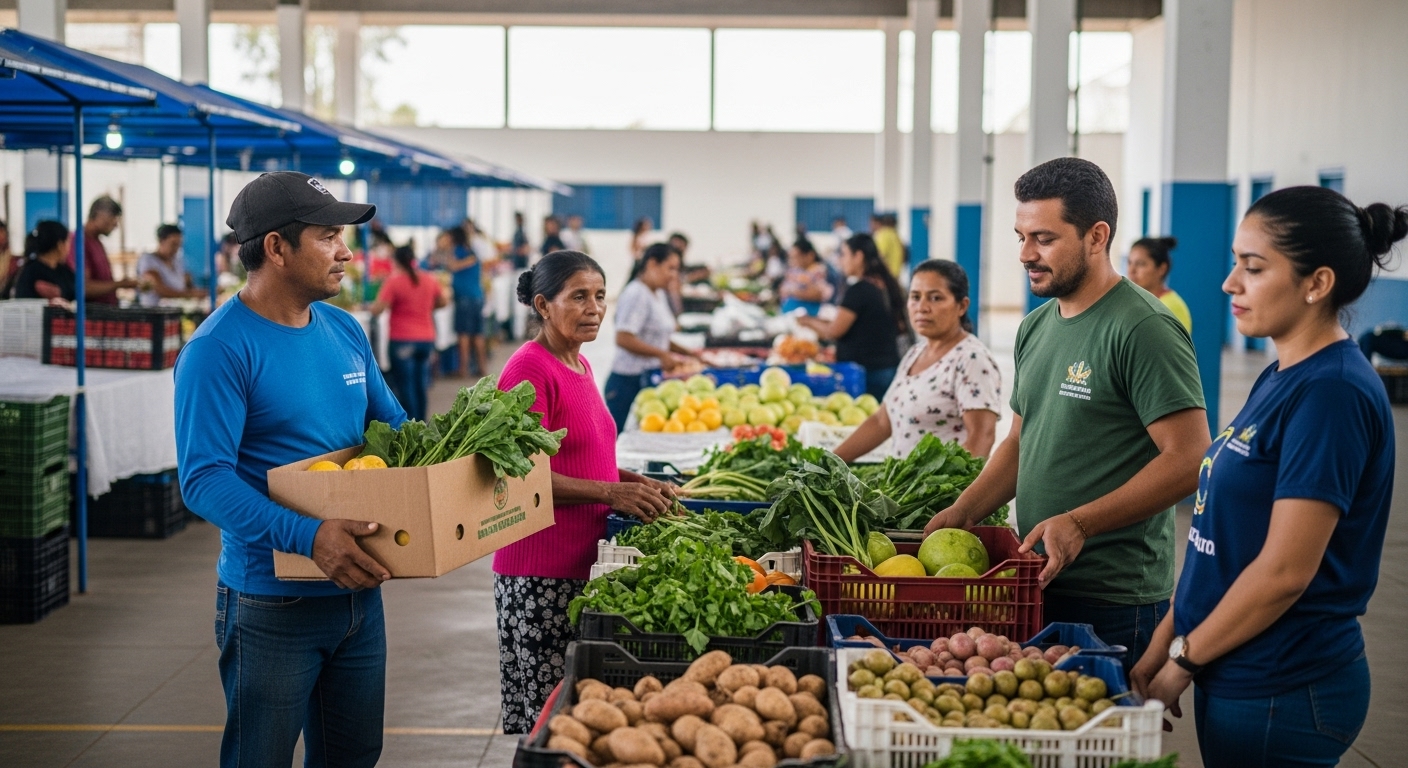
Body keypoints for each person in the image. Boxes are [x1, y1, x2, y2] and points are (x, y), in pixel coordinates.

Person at [1131, 189, 1403, 768]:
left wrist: (1183, 658)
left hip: (1283, 683)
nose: (1230, 282)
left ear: (1317, 283)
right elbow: (1222, 539)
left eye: (1253, 268)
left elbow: (1284, 571)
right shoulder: (1280, 373)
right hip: (1231, 665)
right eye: (1235, 262)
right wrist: (1168, 635)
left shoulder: (1331, 392)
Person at [923, 157, 1210, 673]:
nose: (1026, 254)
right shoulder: (1036, 326)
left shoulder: (1143, 328)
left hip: (1116, 599)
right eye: (1020, 237)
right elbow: (1019, 440)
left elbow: (1190, 458)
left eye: (1044, 239)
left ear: (1096, 236)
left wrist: (1081, 522)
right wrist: (963, 513)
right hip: (1036, 580)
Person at [174, 171, 395, 768]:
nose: (347, 252)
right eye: (328, 236)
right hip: (270, 605)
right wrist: (310, 536)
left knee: (354, 757)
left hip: (358, 589)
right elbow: (204, 480)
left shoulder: (346, 331)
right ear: (276, 247)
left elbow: (394, 432)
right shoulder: (219, 349)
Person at [494, 249, 678, 734]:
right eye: (578, 296)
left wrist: (633, 483)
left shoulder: (579, 365)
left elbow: (585, 456)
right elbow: (520, 476)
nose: (594, 308)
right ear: (543, 304)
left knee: (577, 723)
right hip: (540, 573)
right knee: (548, 727)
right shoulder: (530, 370)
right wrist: (610, 494)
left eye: (599, 295)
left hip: (579, 566)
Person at [834, 259, 1001, 462]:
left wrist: (948, 491)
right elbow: (881, 421)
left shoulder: (971, 359)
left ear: (961, 306)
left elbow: (981, 439)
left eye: (936, 298)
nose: (922, 307)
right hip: (902, 488)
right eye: (915, 297)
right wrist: (831, 461)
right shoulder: (915, 353)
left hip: (940, 491)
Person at [798, 233, 907, 399]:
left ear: (858, 256)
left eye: (844, 255)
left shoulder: (859, 290)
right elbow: (858, 323)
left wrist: (807, 322)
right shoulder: (882, 284)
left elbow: (834, 331)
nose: (841, 261)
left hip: (869, 374)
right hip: (886, 367)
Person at [604, 243, 697, 433]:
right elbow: (623, 337)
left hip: (646, 378)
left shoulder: (657, 293)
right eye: (670, 268)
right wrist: (662, 355)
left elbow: (658, 337)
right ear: (652, 264)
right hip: (627, 381)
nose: (674, 274)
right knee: (616, 439)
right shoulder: (636, 294)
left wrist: (686, 352)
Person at [370, 244, 448, 421]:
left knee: (405, 387)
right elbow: (443, 302)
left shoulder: (394, 281)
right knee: (421, 385)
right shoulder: (429, 279)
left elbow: (378, 309)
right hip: (426, 339)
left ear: (396, 261)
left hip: (403, 340)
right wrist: (426, 308)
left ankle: (411, 426)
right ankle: (423, 423)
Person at [70, 195, 137, 304]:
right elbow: (85, 287)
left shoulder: (97, 242)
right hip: (91, 315)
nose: (115, 224)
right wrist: (120, 284)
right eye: (113, 217)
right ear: (101, 215)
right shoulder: (78, 240)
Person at [445, 227, 488, 378]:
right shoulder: (472, 251)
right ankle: (481, 367)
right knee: (477, 333)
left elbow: (452, 266)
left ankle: (463, 369)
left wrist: (449, 252)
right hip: (477, 297)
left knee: (464, 334)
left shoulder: (458, 251)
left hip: (465, 298)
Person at [1126, 236, 1192, 333]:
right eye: (1129, 263)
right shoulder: (1136, 302)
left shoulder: (1170, 306)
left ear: (1162, 269)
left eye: (1140, 264)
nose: (1131, 270)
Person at [138, 224, 208, 307]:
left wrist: (198, 291)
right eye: (173, 244)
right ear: (161, 241)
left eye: (178, 245)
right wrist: (190, 294)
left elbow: (186, 281)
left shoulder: (177, 261)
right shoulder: (148, 260)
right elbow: (159, 289)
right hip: (154, 311)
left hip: (176, 309)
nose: (176, 248)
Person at [14, 221, 77, 301]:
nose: (69, 248)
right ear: (60, 245)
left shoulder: (65, 271)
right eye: (68, 242)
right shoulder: (31, 272)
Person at [777, 238, 834, 315]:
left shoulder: (818, 271)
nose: (793, 261)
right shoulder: (797, 270)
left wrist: (791, 291)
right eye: (792, 257)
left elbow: (817, 294)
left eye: (796, 257)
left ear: (810, 255)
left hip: (808, 314)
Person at [870, 212, 905, 280]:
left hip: (885, 276)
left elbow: (879, 255)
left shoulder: (883, 234)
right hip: (896, 274)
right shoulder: (896, 236)